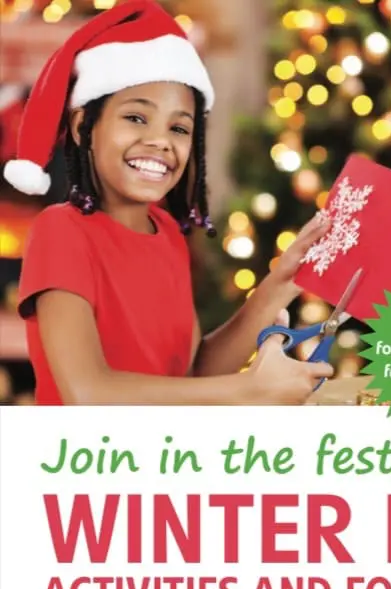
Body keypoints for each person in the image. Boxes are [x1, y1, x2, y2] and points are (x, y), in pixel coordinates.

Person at [2, 0, 335, 405]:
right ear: (82, 127)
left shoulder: (169, 236)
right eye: (136, 118)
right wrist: (249, 390)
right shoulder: (61, 231)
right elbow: (88, 393)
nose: (161, 141)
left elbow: (194, 374)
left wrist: (278, 286)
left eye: (179, 127)